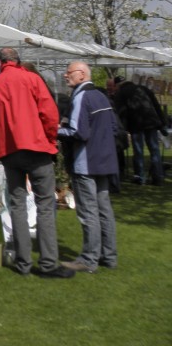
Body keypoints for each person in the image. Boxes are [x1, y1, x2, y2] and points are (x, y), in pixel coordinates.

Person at [0, 47, 73, 278]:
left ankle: (23, 263)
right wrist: (49, 139)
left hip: (9, 153)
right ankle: (48, 264)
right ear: (18, 60)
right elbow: (49, 114)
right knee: (45, 204)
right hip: (36, 148)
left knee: (17, 205)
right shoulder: (32, 79)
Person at [58, 61, 119, 273]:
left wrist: (54, 130)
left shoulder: (81, 96)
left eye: (69, 72)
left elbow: (78, 132)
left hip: (86, 163)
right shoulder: (101, 96)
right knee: (104, 210)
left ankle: (88, 259)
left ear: (82, 75)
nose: (65, 75)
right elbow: (114, 127)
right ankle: (109, 256)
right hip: (104, 161)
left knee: (88, 212)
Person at [112, 76, 168, 186]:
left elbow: (121, 112)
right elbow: (156, 105)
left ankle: (140, 177)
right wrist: (162, 123)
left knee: (138, 151)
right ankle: (158, 177)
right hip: (151, 122)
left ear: (117, 85)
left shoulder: (121, 93)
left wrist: (123, 128)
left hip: (136, 124)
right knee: (154, 149)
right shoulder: (143, 88)